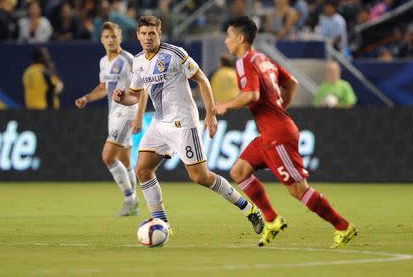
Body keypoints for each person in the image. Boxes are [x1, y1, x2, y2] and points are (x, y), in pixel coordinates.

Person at [113, 15, 263, 234]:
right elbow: (134, 96)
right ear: (137, 35)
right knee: (143, 170)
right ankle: (162, 223)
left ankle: (249, 209)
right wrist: (121, 98)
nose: (147, 38)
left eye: (152, 33)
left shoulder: (175, 54)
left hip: (183, 122)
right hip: (159, 122)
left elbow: (202, 79)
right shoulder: (137, 62)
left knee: (200, 177)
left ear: (159, 34)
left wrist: (210, 113)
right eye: (143, 33)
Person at [217, 16, 357, 248]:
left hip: (278, 135)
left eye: (229, 37)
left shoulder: (244, 62)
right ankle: (272, 220)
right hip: (269, 132)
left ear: (240, 38)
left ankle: (343, 226)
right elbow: (292, 83)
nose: (226, 41)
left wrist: (225, 105)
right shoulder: (263, 58)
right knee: (239, 170)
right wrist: (280, 108)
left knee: (298, 190)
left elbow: (251, 95)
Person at [75, 22, 145, 216]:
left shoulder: (129, 59)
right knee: (125, 159)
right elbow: (102, 87)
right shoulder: (103, 62)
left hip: (127, 112)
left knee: (108, 157)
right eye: (107, 36)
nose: (111, 40)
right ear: (102, 39)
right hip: (112, 113)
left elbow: (142, 88)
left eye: (114, 36)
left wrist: (139, 115)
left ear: (120, 37)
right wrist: (86, 98)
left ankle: (129, 199)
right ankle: (134, 202)